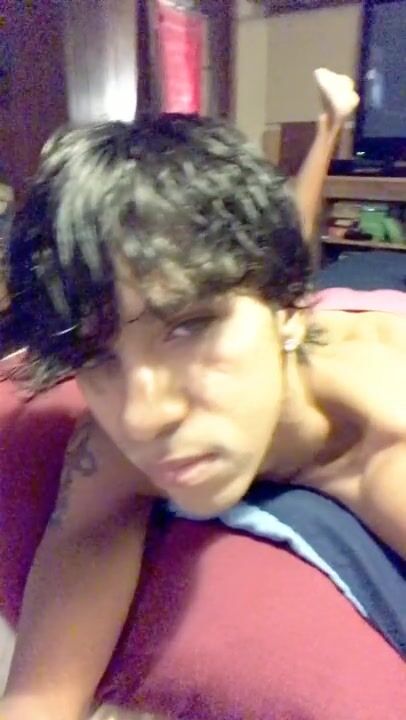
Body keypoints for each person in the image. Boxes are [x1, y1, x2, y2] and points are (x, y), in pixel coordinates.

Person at [3, 67, 404, 720]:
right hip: (290, 307)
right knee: (257, 251)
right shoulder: (113, 445)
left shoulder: (389, 449)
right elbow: (40, 695)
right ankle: (330, 123)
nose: (143, 416)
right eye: (97, 357)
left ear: (289, 312)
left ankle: (332, 122)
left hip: (363, 324)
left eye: (189, 326)